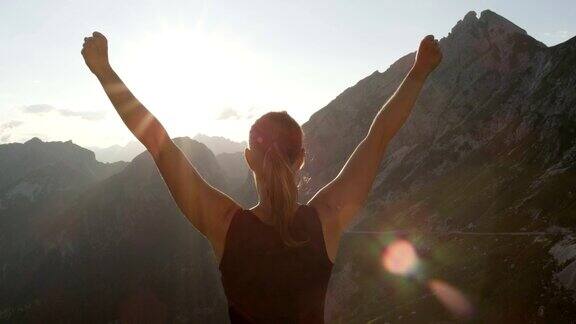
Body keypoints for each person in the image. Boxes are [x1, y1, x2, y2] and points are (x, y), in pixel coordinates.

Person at [81, 31, 442, 323]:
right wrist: (419, 71)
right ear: (301, 159)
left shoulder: (225, 224)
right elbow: (377, 138)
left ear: (249, 160)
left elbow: (158, 143)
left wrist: (105, 71)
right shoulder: (326, 219)